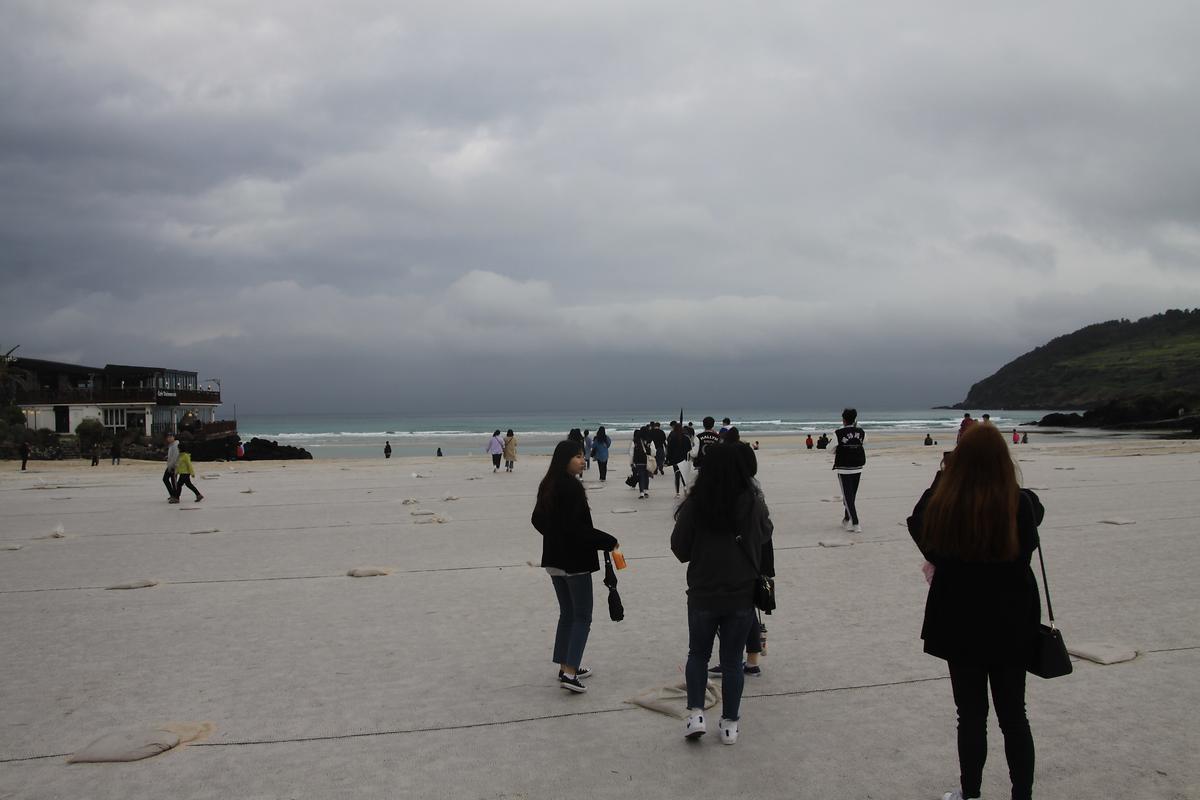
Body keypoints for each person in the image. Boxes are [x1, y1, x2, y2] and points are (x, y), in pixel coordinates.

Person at [906, 422, 1043, 800]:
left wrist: (943, 476)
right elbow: (1036, 513)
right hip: (1012, 622)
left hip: (960, 622)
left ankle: (971, 793)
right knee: (1014, 716)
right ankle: (1022, 795)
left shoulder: (947, 507)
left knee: (970, 715)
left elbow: (917, 522)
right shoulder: (1021, 504)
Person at [671, 443, 773, 745]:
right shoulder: (753, 502)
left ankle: (696, 714)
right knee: (731, 661)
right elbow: (765, 534)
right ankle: (730, 724)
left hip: (703, 590)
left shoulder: (695, 503)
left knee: (697, 654)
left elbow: (679, 548)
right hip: (741, 592)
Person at [531, 440, 619, 694]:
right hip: (574, 564)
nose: (583, 460)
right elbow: (578, 530)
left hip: (554, 562)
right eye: (578, 456)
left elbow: (538, 520)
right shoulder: (571, 486)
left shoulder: (548, 483)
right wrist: (609, 541)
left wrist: (555, 538)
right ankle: (570, 672)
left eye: (583, 455)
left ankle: (565, 666)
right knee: (582, 616)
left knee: (567, 614)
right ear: (565, 459)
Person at [708, 442, 774, 679]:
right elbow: (767, 528)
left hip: (744, 554)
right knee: (749, 606)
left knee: (735, 608)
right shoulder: (754, 485)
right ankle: (752, 660)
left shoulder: (734, 488)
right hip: (759, 551)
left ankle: (734, 660)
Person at [833, 408, 866, 533]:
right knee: (851, 496)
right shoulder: (861, 431)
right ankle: (846, 519)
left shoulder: (838, 432)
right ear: (855, 419)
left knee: (848, 497)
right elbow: (865, 442)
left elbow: (829, 449)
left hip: (844, 468)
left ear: (843, 419)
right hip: (857, 466)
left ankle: (855, 523)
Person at [666, 420, 691, 496]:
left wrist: (668, 459)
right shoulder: (686, 438)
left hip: (675, 459)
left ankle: (677, 493)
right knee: (683, 474)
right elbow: (689, 449)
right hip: (684, 459)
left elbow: (669, 450)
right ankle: (685, 488)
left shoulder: (672, 438)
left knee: (677, 475)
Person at [630, 427, 652, 499]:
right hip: (647, 461)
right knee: (646, 476)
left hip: (638, 461)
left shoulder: (635, 440)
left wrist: (631, 462)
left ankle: (641, 493)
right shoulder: (649, 440)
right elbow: (654, 450)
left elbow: (631, 452)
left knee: (641, 476)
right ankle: (646, 491)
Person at [163, 434, 180, 503]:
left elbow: (175, 456)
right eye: (168, 437)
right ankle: (172, 494)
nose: (169, 438)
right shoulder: (171, 445)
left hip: (174, 466)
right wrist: (168, 457)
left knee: (173, 481)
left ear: (174, 438)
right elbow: (172, 455)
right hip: (170, 465)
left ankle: (176, 497)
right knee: (165, 479)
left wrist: (173, 465)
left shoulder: (175, 445)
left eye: (171, 437)